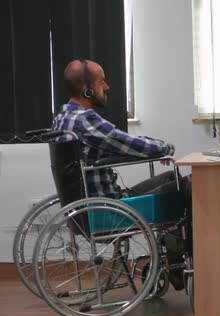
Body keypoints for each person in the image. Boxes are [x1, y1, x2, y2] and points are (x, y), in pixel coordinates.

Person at [52, 59, 191, 207]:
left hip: (90, 204)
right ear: (88, 90)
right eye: (102, 82)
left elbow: (119, 142)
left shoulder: (62, 118)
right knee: (189, 183)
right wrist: (165, 148)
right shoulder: (84, 120)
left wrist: (159, 147)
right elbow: (127, 143)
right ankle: (190, 230)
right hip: (109, 208)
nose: (107, 86)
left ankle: (177, 230)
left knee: (170, 177)